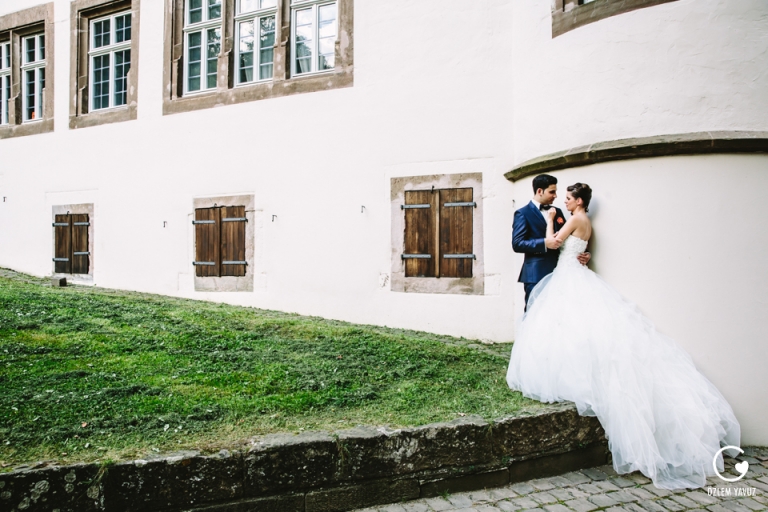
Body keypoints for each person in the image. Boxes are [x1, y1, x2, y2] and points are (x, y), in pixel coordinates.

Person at [506, 182, 740, 490]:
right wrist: (583, 253)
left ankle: (565, 372)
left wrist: (550, 222)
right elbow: (574, 246)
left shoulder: (571, 218)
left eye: (567, 197)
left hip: (567, 276)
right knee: (570, 326)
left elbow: (553, 242)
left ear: (578, 202)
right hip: (572, 273)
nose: (562, 200)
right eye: (558, 195)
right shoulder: (583, 221)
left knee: (568, 326)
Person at [512, 174, 590, 310]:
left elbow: (570, 237)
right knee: (534, 314)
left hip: (560, 272)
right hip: (536, 273)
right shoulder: (523, 213)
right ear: (539, 191)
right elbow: (517, 243)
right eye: (552, 192)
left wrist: (584, 253)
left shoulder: (558, 212)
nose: (556, 196)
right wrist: (543, 243)